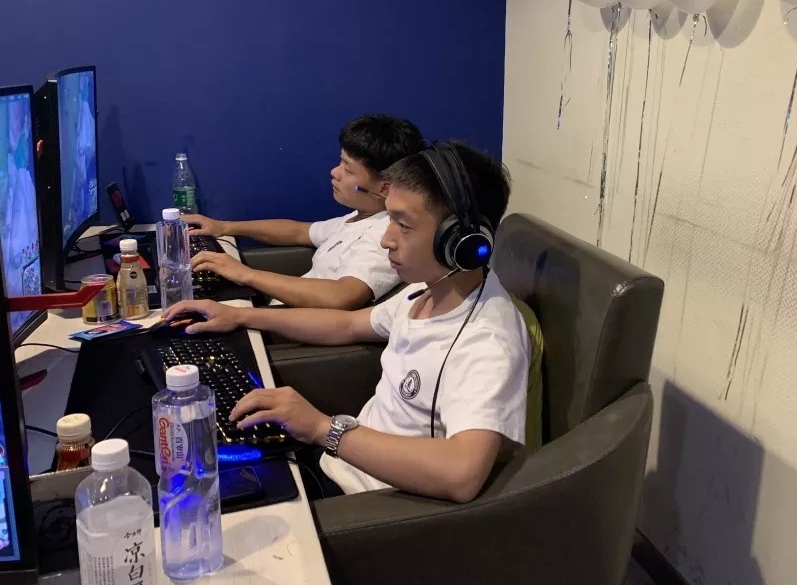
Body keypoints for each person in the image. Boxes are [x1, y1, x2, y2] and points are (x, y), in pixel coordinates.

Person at [164, 142, 529, 502]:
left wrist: (321, 428)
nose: (386, 239)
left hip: (365, 505)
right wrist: (241, 316)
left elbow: (461, 475)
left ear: (461, 241)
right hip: (338, 465)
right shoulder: (427, 289)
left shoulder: (487, 340)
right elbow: (347, 325)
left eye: (403, 224)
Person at [184, 115, 424, 309]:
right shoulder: (359, 216)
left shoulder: (384, 235)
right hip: (281, 312)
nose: (335, 172)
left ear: (384, 188)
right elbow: (298, 231)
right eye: (340, 162)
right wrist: (223, 227)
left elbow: (343, 295)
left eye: (348, 170)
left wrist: (246, 275)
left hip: (295, 330)